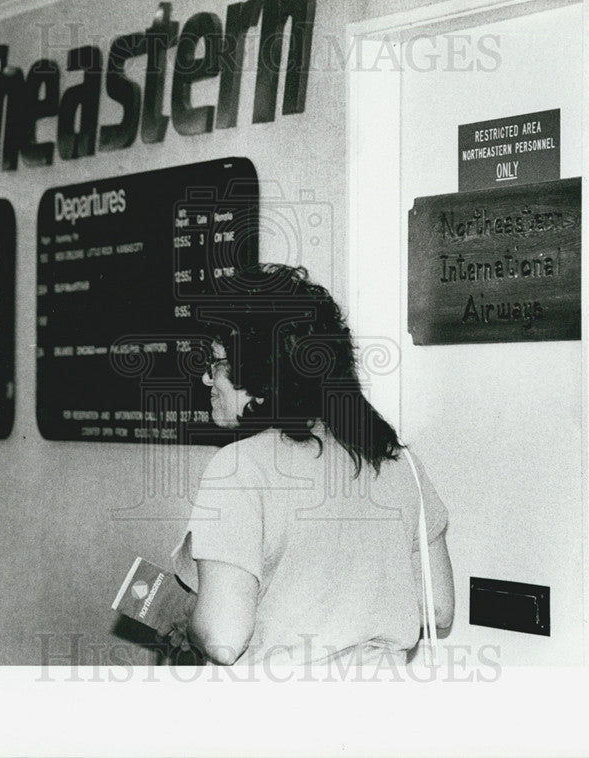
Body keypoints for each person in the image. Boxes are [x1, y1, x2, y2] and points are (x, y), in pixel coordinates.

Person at [165, 263, 453, 666]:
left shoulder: (239, 467)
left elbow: (223, 638)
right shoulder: (399, 462)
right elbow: (438, 609)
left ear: (259, 372)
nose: (207, 381)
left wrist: (187, 618)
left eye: (216, 364)